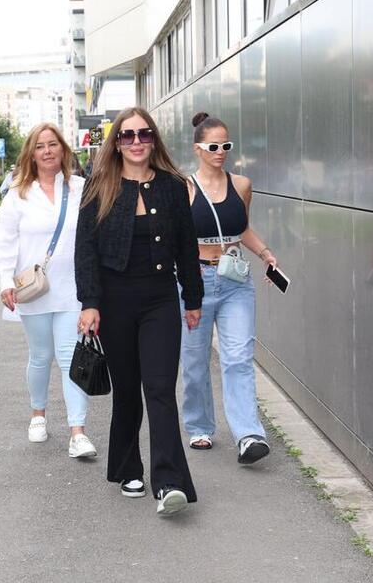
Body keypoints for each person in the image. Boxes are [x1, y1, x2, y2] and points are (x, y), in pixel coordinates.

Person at [75, 107, 203, 516]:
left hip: (159, 299)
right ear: (116, 143)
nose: (136, 142)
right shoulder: (99, 186)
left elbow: (187, 246)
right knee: (128, 390)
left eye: (143, 134)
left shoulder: (172, 186)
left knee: (160, 388)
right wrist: (90, 302)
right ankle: (128, 467)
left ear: (153, 140)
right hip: (114, 302)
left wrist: (193, 299)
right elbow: (85, 250)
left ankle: (169, 482)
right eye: (127, 135)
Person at [0, 123, 96, 459]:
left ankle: (78, 432)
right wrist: (5, 281)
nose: (47, 151)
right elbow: (5, 242)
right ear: (31, 154)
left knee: (70, 357)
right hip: (33, 291)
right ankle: (38, 414)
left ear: (63, 149)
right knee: (40, 356)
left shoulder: (81, 188)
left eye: (53, 144)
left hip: (72, 288)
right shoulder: (19, 194)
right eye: (40, 146)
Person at [180, 111, 278, 464]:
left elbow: (242, 228)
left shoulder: (242, 185)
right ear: (198, 148)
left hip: (236, 281)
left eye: (226, 146)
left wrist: (266, 254)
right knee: (194, 360)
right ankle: (200, 425)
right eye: (213, 146)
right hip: (196, 281)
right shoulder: (184, 188)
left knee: (238, 357)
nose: (220, 152)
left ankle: (248, 434)